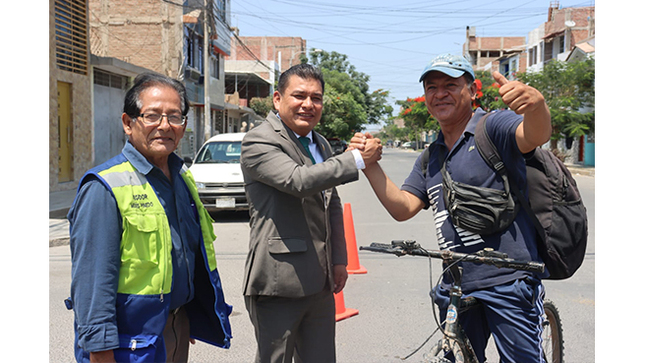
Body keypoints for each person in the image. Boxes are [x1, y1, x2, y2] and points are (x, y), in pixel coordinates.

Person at [350, 53, 552, 362]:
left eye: (450, 84)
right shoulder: (431, 156)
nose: (440, 93)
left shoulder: (492, 126)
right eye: (432, 87)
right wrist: (369, 166)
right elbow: (403, 208)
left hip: (508, 281)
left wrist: (536, 107)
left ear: (473, 90)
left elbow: (534, 135)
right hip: (457, 284)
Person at [67, 72, 232, 363]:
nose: (165, 126)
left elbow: (185, 253)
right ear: (128, 123)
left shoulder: (181, 176)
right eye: (152, 116)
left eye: (175, 117)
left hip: (174, 326)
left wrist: (188, 314)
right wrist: (99, 350)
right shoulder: (104, 187)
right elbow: (92, 282)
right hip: (127, 341)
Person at [240, 63, 382, 363]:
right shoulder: (260, 140)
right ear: (277, 99)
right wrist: (355, 159)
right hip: (279, 283)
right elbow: (298, 181)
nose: (308, 105)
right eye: (299, 96)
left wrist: (339, 260)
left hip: (320, 281)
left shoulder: (319, 143)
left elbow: (331, 204)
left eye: (316, 98)